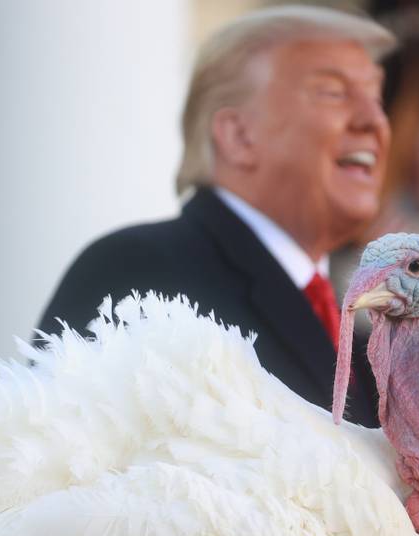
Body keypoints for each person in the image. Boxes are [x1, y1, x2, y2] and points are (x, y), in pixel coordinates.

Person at [35, 6, 395, 427]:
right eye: (333, 92)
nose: (375, 121)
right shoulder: (135, 275)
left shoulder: (361, 334)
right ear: (238, 136)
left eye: (376, 97)